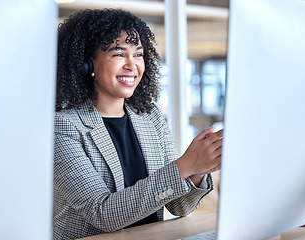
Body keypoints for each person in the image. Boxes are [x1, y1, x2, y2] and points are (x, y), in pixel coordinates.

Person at [54, 8, 223, 240]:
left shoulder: (149, 117)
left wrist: (198, 169)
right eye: (118, 54)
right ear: (86, 63)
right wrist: (184, 165)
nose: (132, 65)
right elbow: (102, 213)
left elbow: (179, 207)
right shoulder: (63, 126)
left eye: (138, 54)